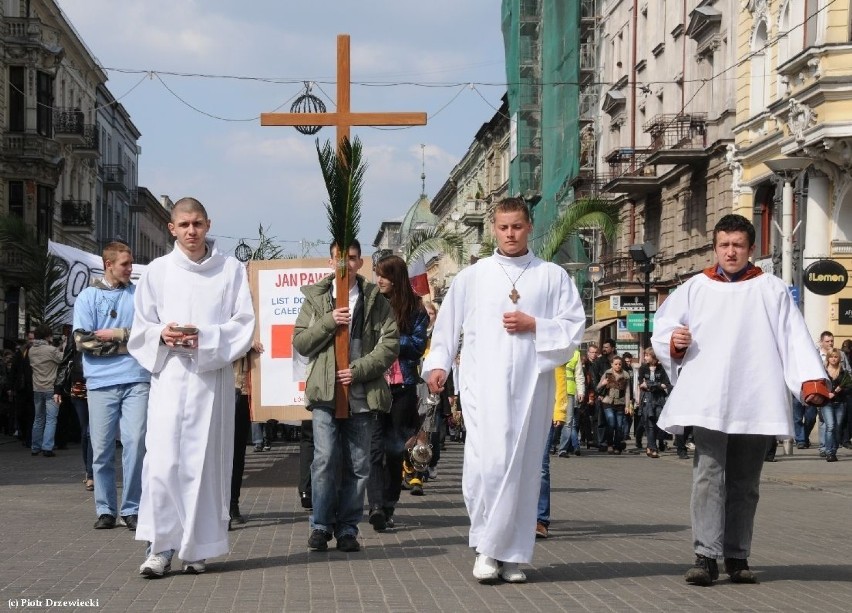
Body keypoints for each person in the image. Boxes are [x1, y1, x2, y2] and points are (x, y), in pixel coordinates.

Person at [651, 214, 829, 587]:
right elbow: (665, 326)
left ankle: (737, 555)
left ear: (750, 249)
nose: (730, 252)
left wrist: (811, 380)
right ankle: (706, 555)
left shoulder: (772, 289)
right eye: (724, 245)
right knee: (707, 476)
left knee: (746, 481)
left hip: (755, 395)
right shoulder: (695, 287)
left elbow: (793, 336)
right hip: (708, 395)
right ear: (716, 247)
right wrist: (674, 342)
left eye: (737, 245)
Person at [423, 197, 585, 584]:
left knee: (527, 468)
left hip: (533, 386)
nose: (510, 234)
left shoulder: (551, 276)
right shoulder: (474, 275)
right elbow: (448, 325)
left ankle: (511, 554)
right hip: (484, 383)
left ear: (529, 227)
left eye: (517, 226)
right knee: (487, 466)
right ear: (494, 229)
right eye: (503, 227)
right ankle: (486, 547)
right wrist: (438, 364)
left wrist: (536, 325)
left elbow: (573, 327)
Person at [128, 197, 255, 577]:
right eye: (184, 225)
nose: (192, 231)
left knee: (204, 465)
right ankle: (160, 547)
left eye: (198, 223)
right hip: (169, 378)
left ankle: (197, 548)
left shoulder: (230, 270)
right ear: (172, 228)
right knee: (163, 463)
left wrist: (205, 338)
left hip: (209, 381)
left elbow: (244, 323)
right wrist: (162, 334)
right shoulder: (156, 272)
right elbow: (141, 326)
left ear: (209, 223)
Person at [293, 239, 399, 553]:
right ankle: (321, 526)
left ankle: (348, 529)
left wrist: (360, 369)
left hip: (362, 393)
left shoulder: (374, 297)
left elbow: (389, 343)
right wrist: (329, 321)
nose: (345, 265)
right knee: (324, 459)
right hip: (326, 392)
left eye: (351, 259)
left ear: (360, 262)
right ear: (331, 262)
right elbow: (301, 342)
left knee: (359, 464)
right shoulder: (316, 297)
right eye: (340, 258)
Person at [73, 242, 150, 531]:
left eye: (131, 264)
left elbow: (147, 334)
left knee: (135, 443)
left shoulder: (139, 295)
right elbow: (84, 341)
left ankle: (132, 508)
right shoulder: (87, 297)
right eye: (125, 264)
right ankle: (105, 508)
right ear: (109, 264)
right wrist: (128, 346)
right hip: (101, 382)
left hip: (137, 379)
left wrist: (118, 339)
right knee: (102, 448)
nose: (130, 269)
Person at [367, 255, 428, 530]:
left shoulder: (415, 307)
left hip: (402, 387)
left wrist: (389, 341)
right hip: (374, 385)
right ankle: (376, 506)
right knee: (374, 449)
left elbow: (417, 346)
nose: (379, 280)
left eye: (385, 275)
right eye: (378, 274)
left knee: (393, 450)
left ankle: (389, 505)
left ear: (397, 278)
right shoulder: (371, 303)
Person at [54, 336, 93, 490]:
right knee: (85, 432)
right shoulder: (77, 333)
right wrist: (57, 388)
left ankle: (92, 474)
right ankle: (88, 471)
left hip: (101, 383)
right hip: (79, 386)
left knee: (92, 432)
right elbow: (65, 362)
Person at [28, 324, 64, 457]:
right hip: (51, 388)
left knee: (38, 418)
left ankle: (35, 447)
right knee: (51, 419)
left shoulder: (31, 350)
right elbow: (62, 358)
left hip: (37, 388)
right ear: (47, 336)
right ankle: (47, 447)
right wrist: (63, 345)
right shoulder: (50, 350)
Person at [636, 346, 670, 458]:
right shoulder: (643, 368)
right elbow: (641, 384)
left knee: (658, 422)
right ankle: (653, 448)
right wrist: (656, 385)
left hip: (659, 399)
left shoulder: (662, 369)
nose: (645, 357)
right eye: (644, 355)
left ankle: (650, 446)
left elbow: (665, 384)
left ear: (654, 357)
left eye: (647, 355)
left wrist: (652, 384)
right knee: (649, 423)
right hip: (647, 398)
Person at [596, 355, 632, 454]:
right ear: (612, 364)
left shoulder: (625, 375)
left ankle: (617, 446)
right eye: (615, 364)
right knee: (611, 422)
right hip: (608, 402)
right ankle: (610, 445)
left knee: (619, 426)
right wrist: (603, 383)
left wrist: (627, 405)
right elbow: (598, 387)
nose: (618, 366)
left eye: (620, 364)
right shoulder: (607, 373)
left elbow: (627, 392)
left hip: (620, 403)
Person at [822, 349, 850, 463]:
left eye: (836, 357)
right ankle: (828, 452)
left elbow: (849, 386)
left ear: (839, 358)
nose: (833, 359)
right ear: (828, 358)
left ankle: (833, 451)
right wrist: (826, 393)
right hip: (826, 403)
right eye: (831, 357)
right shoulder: (823, 372)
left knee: (837, 428)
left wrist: (840, 390)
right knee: (830, 426)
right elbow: (818, 386)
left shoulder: (843, 372)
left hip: (840, 403)